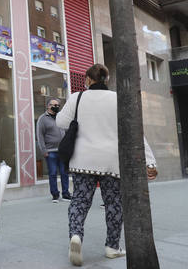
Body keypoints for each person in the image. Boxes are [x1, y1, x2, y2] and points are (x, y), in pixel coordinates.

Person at [56, 64, 158, 266]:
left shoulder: (77, 97)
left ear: (87, 79)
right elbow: (133, 131)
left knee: (79, 201)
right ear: (107, 79)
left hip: (83, 160)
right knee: (113, 204)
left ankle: (76, 236)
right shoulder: (117, 99)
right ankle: (112, 247)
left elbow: (60, 122)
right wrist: (150, 160)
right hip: (111, 162)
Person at [36, 98, 70, 203]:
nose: (56, 107)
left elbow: (66, 131)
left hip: (62, 151)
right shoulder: (42, 119)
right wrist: (43, 150)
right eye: (53, 105)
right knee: (53, 173)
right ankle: (55, 195)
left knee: (64, 173)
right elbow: (39, 135)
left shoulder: (61, 117)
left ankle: (66, 194)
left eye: (57, 105)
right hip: (50, 151)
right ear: (48, 106)